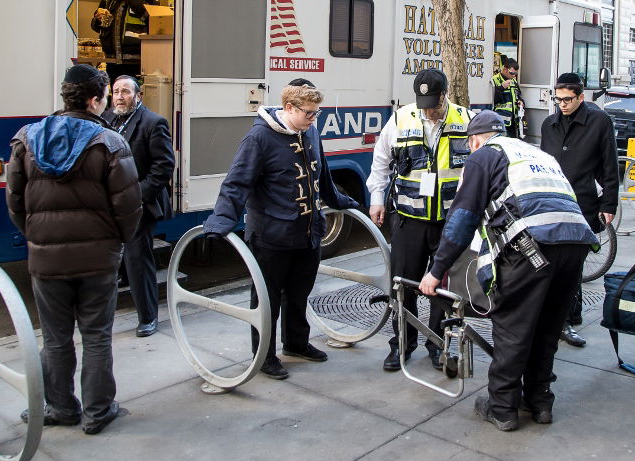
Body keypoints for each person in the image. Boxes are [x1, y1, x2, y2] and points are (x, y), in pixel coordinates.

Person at [419, 111, 598, 431]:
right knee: (547, 326)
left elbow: (462, 219)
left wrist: (436, 271)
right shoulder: (536, 154)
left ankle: (502, 408)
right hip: (576, 242)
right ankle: (540, 401)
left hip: (531, 248)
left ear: (474, 140)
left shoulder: (482, 158)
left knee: (513, 328)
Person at [6, 64, 142, 435]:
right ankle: (98, 412)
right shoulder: (110, 143)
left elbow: (16, 205)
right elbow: (129, 208)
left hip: (45, 260)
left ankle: (61, 407)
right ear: (96, 100)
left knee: (55, 337)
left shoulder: (26, 139)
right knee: (97, 335)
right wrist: (116, 243)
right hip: (98, 260)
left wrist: (38, 238)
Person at [202, 83, 359, 380]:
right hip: (271, 236)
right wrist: (220, 221)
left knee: (300, 293)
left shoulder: (309, 130)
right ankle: (263, 356)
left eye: (317, 113)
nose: (314, 118)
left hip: (309, 231)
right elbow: (237, 183)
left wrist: (338, 201)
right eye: (309, 113)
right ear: (288, 108)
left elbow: (321, 171)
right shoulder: (259, 137)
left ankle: (297, 343)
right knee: (266, 300)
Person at [367, 68, 473, 372]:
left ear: (445, 95)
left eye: (434, 103)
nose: (429, 110)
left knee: (443, 287)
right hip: (408, 219)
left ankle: (439, 346)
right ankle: (401, 344)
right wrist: (377, 199)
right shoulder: (401, 118)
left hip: (450, 222)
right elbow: (381, 160)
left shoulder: (466, 120)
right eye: (423, 103)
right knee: (402, 285)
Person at [540, 72, 619, 348]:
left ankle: (568, 320)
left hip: (583, 205)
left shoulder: (599, 122)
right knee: (554, 266)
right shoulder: (549, 124)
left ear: (581, 97)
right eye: (557, 98)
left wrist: (609, 204)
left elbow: (610, 165)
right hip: (552, 205)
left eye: (567, 99)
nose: (561, 104)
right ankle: (561, 318)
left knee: (571, 268)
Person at [104, 75, 175, 338]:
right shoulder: (108, 120)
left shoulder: (153, 123)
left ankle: (148, 317)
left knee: (137, 259)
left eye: (125, 91)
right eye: (116, 91)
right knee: (117, 256)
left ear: (138, 95)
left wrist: (137, 195)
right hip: (111, 203)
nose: (119, 96)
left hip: (139, 203)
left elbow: (164, 166)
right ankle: (125, 286)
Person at [91, 0, 160, 80]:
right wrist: (98, 19)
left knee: (134, 96)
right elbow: (96, 27)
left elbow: (154, 20)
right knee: (117, 97)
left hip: (137, 62)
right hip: (112, 61)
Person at [492, 58, 524, 138]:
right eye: (512, 73)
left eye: (515, 74)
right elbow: (492, 100)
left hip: (513, 121)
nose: (513, 76)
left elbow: (518, 95)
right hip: (499, 121)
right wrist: (501, 87)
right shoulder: (494, 80)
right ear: (505, 69)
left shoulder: (514, 81)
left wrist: (521, 101)